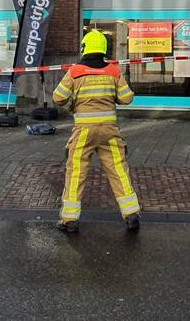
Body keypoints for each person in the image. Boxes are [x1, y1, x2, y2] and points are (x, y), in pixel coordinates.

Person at [52, 29, 140, 233]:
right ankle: (131, 214)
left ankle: (69, 219)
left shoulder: (75, 71)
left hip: (83, 132)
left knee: (76, 173)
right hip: (110, 131)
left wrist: (74, 100)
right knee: (119, 171)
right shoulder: (113, 71)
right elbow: (127, 98)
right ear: (103, 49)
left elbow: (58, 98)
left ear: (85, 48)